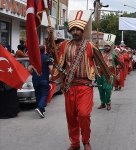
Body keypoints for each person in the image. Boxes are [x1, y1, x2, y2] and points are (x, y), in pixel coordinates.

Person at [48, 10, 111, 150]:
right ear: (70, 31)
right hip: (69, 86)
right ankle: (75, 143)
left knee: (83, 114)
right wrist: (50, 35)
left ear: (82, 31)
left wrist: (108, 76)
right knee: (71, 117)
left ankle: (86, 141)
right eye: (73, 29)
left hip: (85, 86)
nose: (75, 32)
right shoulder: (64, 45)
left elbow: (100, 61)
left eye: (78, 29)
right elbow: (54, 55)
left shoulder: (90, 46)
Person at [95, 34, 123, 110]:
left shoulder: (114, 54)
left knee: (107, 89)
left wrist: (116, 71)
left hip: (109, 74)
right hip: (100, 74)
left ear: (110, 47)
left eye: (108, 46)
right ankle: (102, 103)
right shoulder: (100, 53)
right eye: (105, 46)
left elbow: (118, 63)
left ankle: (108, 102)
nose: (106, 47)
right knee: (101, 90)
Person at [27, 45, 53, 118]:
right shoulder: (48, 58)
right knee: (44, 94)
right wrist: (52, 75)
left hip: (35, 79)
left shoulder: (33, 59)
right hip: (44, 79)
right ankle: (40, 107)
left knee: (38, 94)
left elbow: (29, 69)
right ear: (44, 50)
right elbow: (51, 68)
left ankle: (41, 110)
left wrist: (33, 72)